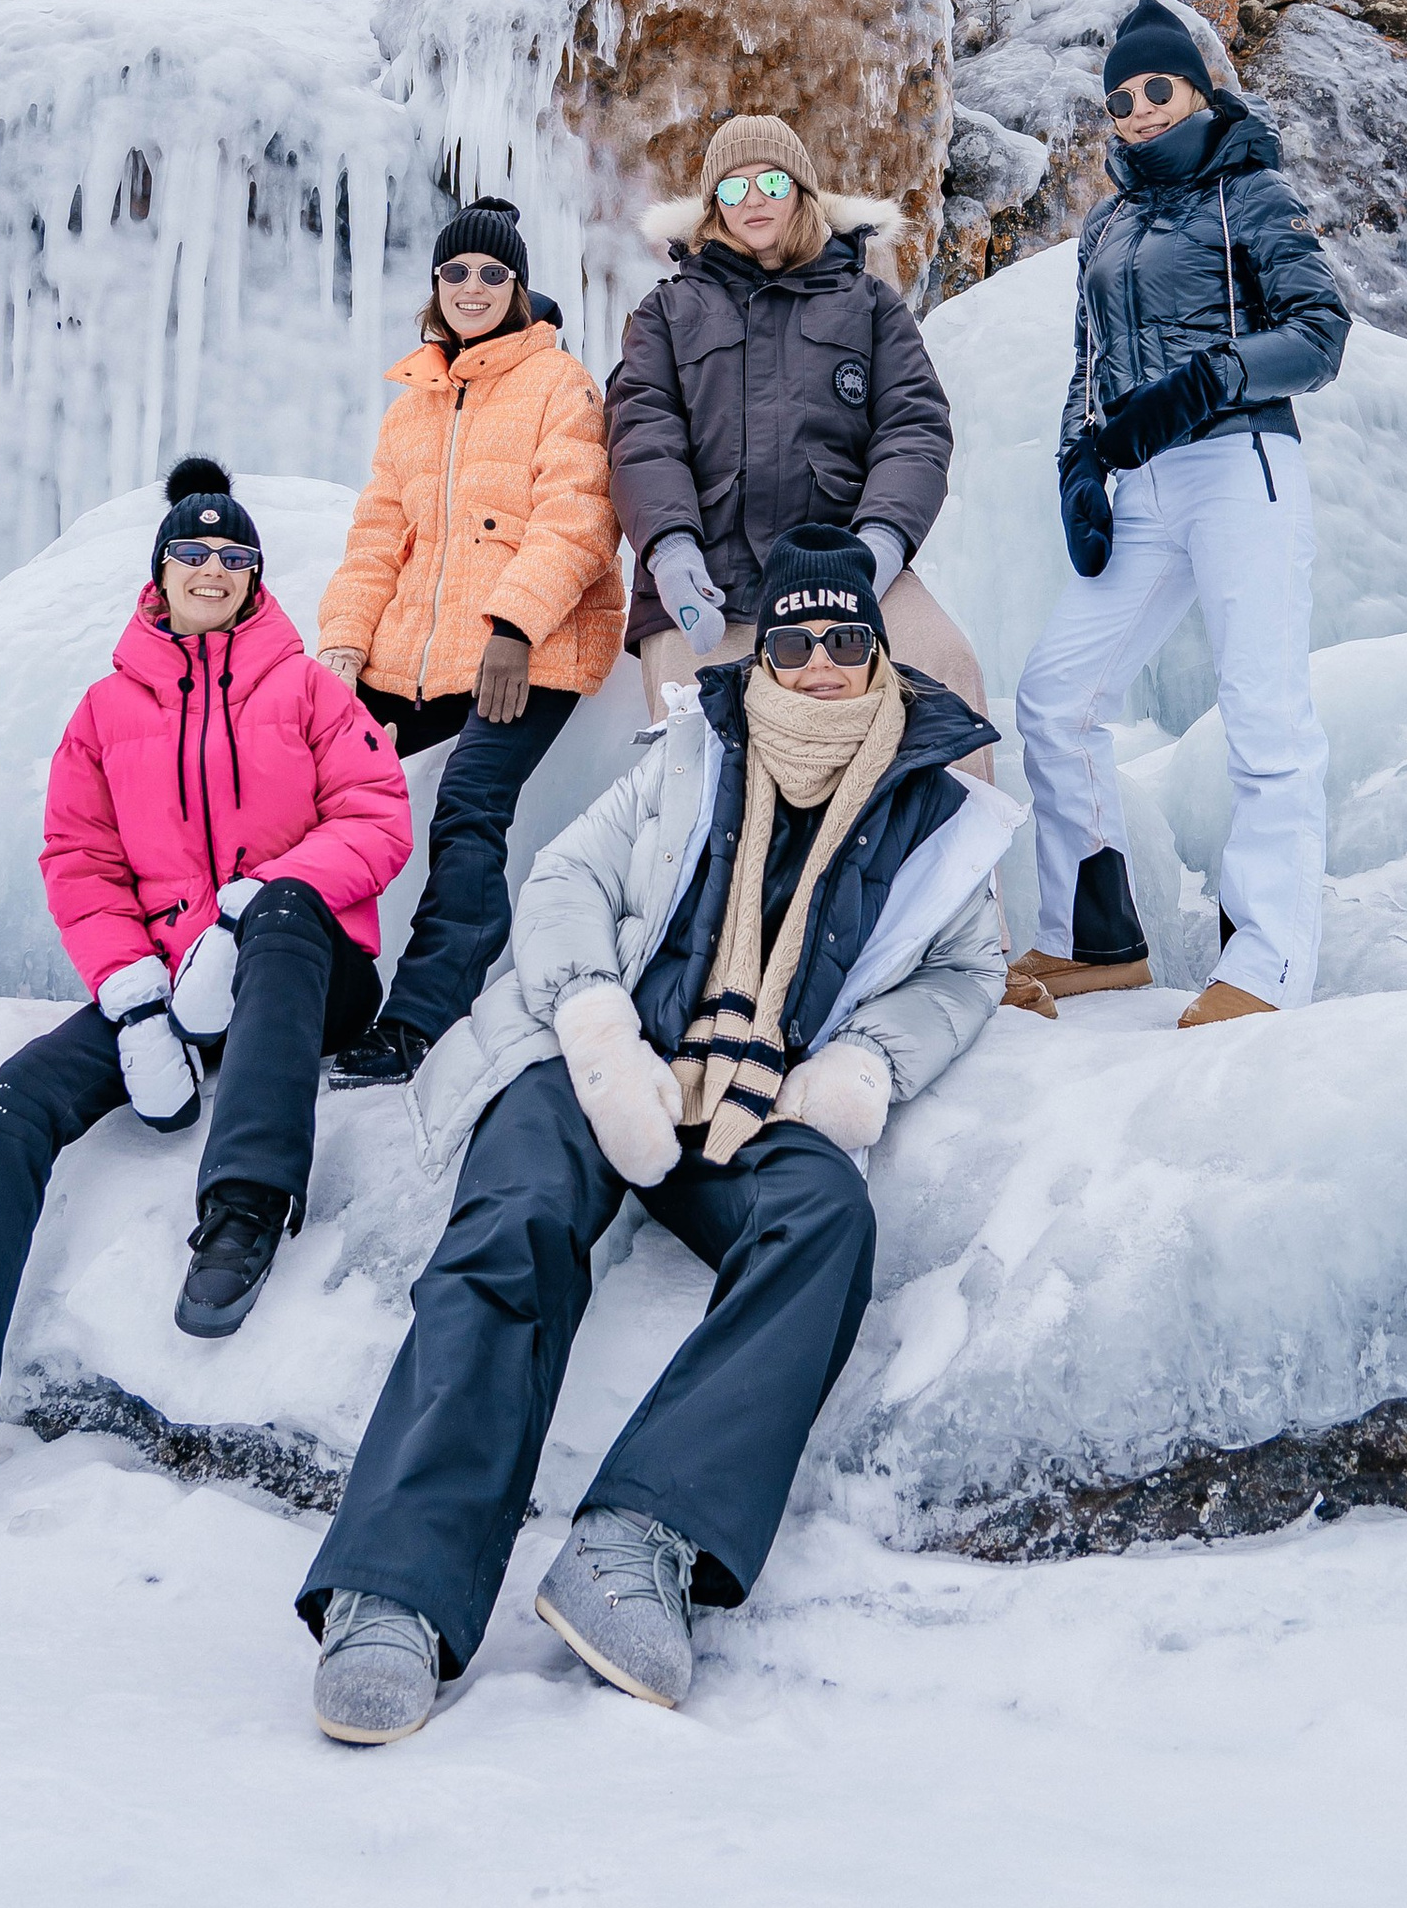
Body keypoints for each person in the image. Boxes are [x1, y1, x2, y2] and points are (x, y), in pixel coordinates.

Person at [295, 523, 1012, 1743]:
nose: (823, 663)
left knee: (824, 1221)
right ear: (766, 653)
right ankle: (397, 1587)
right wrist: (588, 1021)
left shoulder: (936, 807)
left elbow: (966, 968)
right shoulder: (690, 750)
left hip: (757, 1089)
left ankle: (641, 1539)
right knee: (512, 1225)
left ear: (878, 652)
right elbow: (566, 881)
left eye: (849, 639)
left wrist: (861, 1067)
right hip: (605, 1052)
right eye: (796, 640)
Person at [0, 459, 414, 1518]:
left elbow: (377, 819)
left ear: (254, 577)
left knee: (284, 915)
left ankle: (242, 1210)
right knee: (22, 1093)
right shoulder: (103, 712)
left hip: (302, 978)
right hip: (171, 995)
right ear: (159, 572)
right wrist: (135, 991)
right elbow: (78, 859)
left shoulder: (311, 692)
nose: (211, 569)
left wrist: (248, 906)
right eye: (192, 553)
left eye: (232, 556)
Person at [1012, 0, 1348, 1027]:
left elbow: (1321, 330)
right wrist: (1080, 463)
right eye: (1118, 99)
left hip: (1238, 463)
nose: (1138, 109)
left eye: (1156, 87)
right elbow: (1090, 361)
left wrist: (1208, 382)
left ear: (1197, 90)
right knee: (1053, 698)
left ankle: (1269, 961)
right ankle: (1094, 938)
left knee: (1262, 711)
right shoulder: (1104, 223)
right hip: (1144, 484)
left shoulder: (1247, 190)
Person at [313, 200, 624, 1086]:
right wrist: (342, 648)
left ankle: (418, 1019)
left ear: (518, 289)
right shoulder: (411, 406)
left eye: (494, 274)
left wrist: (516, 628)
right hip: (415, 654)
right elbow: (378, 540)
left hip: (537, 641)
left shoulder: (559, 383)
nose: (474, 287)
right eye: (457, 273)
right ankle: (327, 997)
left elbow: (581, 516)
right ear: (435, 288)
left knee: (469, 805)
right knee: (311, 791)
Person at [607, 109, 986, 723]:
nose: (753, 200)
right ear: (713, 207)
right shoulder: (667, 311)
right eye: (733, 188)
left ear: (802, 192)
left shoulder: (869, 304)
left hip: (845, 565)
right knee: (694, 736)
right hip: (709, 580)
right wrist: (672, 553)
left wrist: (877, 549)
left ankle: (962, 825)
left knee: (947, 670)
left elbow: (913, 427)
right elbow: (643, 433)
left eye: (773, 182)